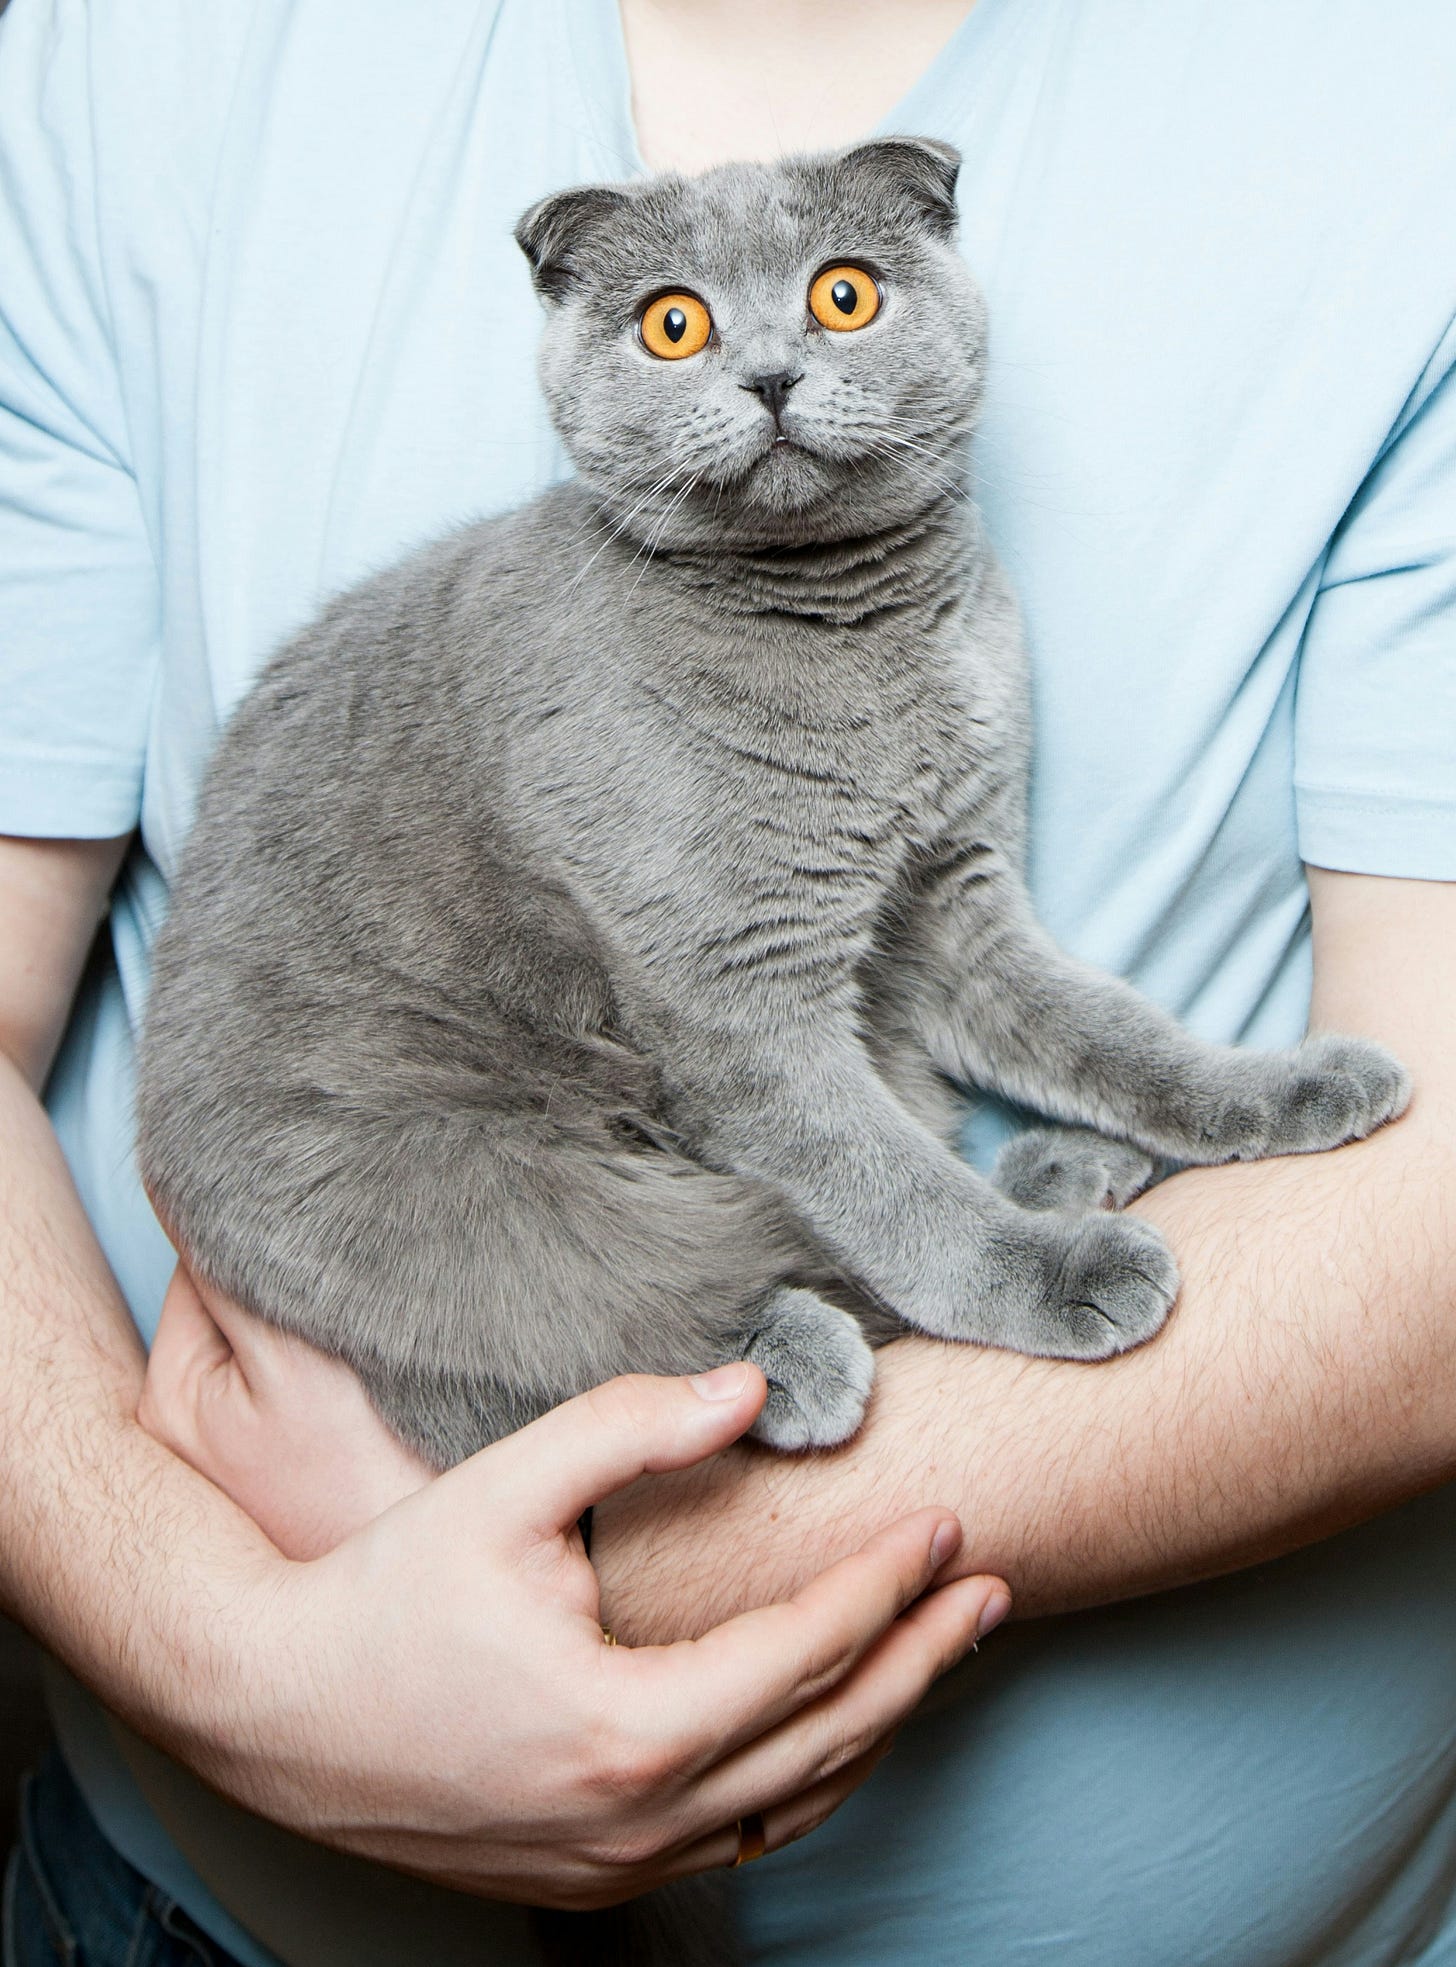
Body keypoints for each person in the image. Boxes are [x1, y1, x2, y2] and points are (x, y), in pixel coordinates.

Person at [2, 1, 1453, 1963]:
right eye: (674, 326)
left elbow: (952, 938)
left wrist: (1200, 1103)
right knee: (717, 1117)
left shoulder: (1386, 95)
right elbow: (740, 1028)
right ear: (583, 336)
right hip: (427, 1159)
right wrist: (222, 1644)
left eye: (843, 295)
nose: (766, 358)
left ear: (930, 267)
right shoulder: (119, 56)